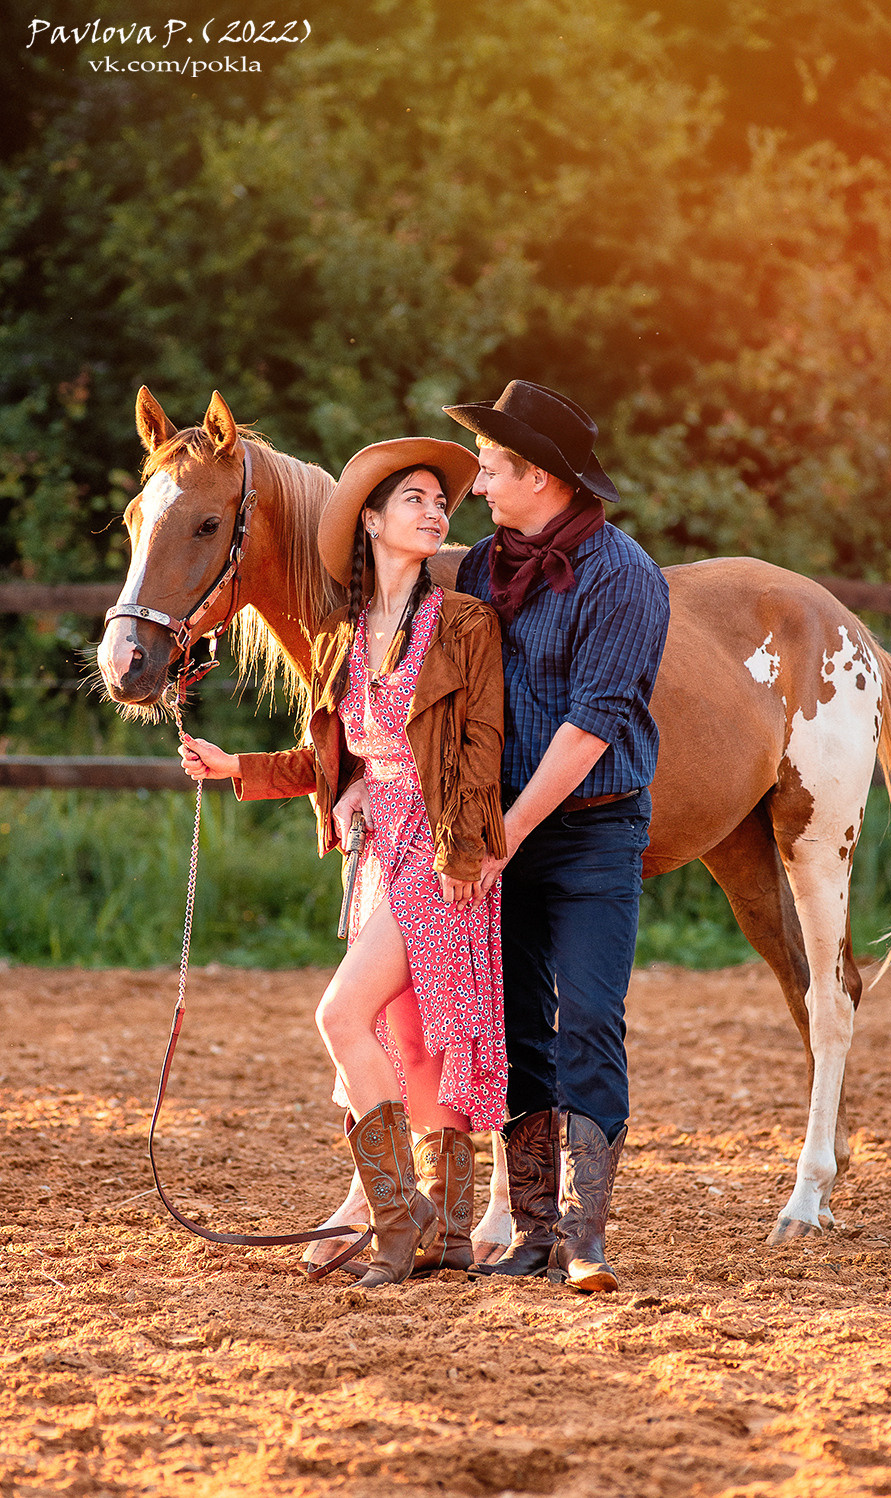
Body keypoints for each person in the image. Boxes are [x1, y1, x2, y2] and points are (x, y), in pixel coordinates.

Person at [179, 438, 507, 1288]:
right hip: (374, 852)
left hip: (438, 852)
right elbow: (335, 760)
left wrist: (463, 851)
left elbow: (481, 749)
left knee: (341, 1014)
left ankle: (399, 1224)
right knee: (406, 1036)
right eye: (416, 501)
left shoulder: (466, 624)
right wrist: (236, 769)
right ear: (370, 520)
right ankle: (440, 1233)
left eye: (443, 503)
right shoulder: (343, 635)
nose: (437, 513)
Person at [443, 381, 671, 1293]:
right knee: (515, 1030)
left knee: (588, 1019)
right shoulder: (480, 569)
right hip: (500, 832)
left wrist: (508, 829)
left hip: (589, 833)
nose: (480, 485)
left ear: (539, 476)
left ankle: (585, 1238)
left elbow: (594, 722)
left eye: (492, 469)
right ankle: (531, 1233)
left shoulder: (624, 576)